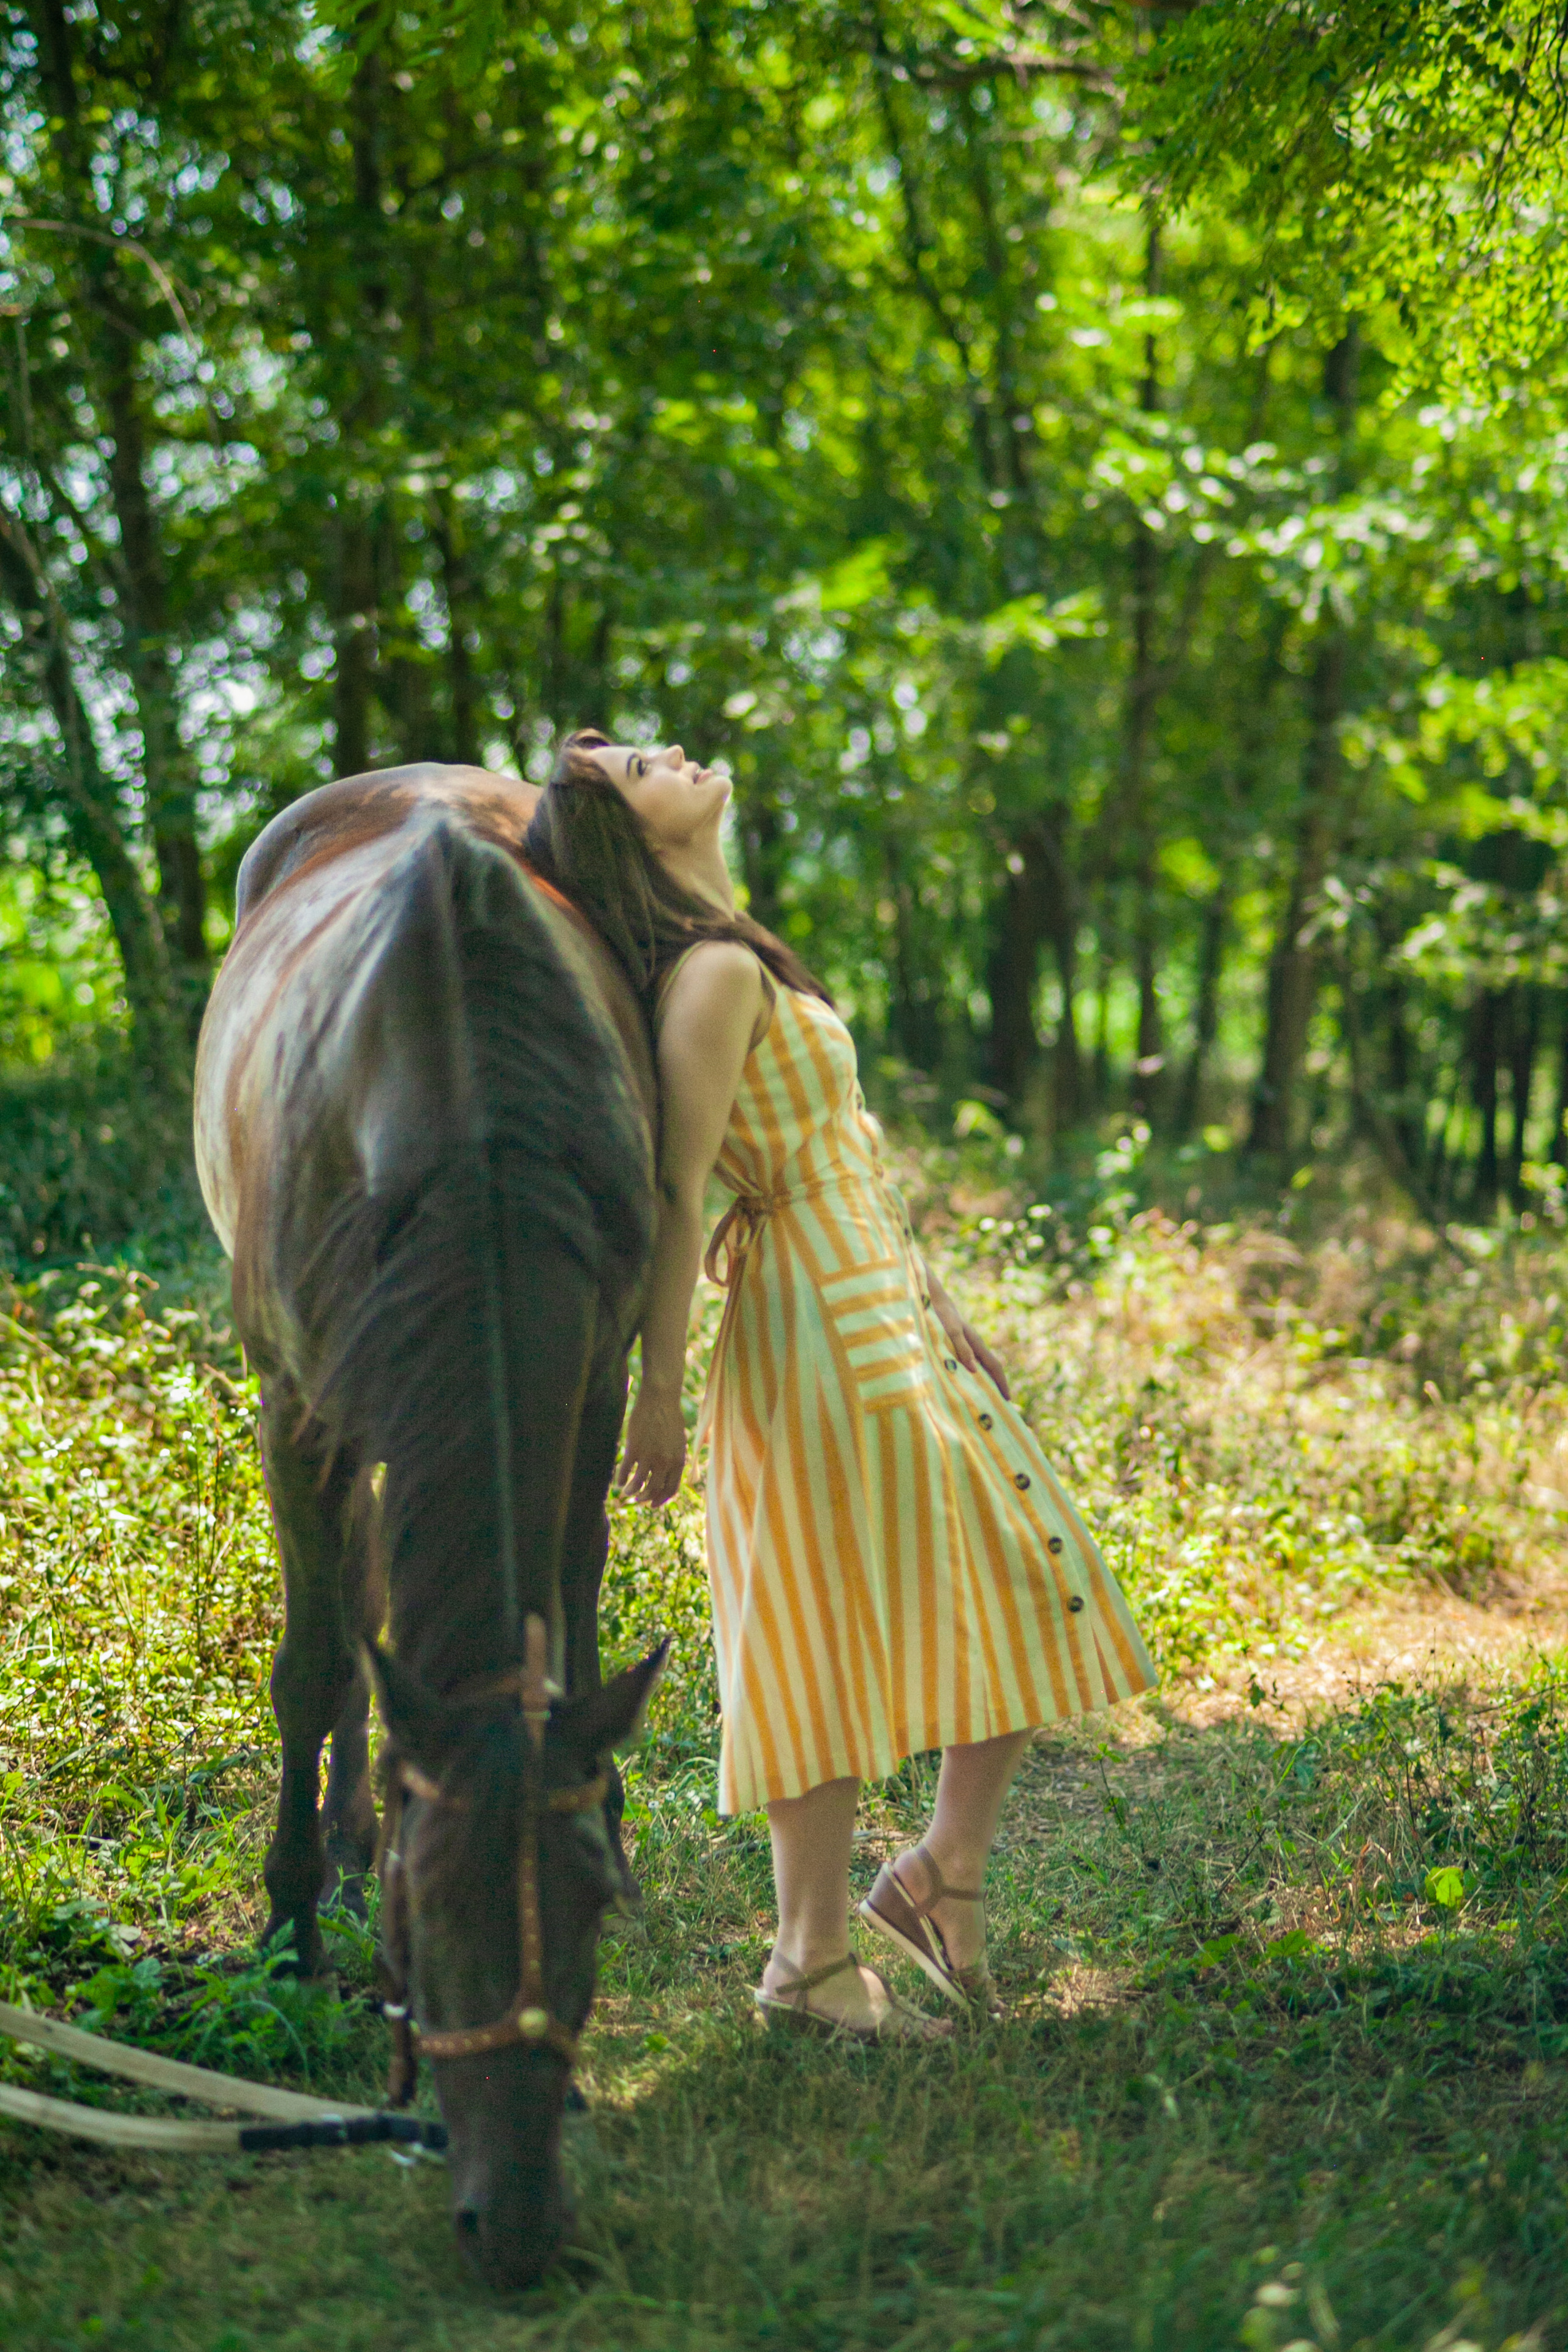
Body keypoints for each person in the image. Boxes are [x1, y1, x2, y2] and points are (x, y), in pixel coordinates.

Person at [524, 730, 1156, 2041]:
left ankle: (938, 1878)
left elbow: (840, 1157)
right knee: (816, 1627)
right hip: (808, 1329)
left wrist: (939, 1305)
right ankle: (805, 1963)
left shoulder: (739, 945)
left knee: (1035, 1578)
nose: (679, 752)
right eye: (644, 762)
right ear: (629, 833)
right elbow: (677, 1191)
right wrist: (657, 1394)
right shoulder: (704, 976)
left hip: (877, 1308)